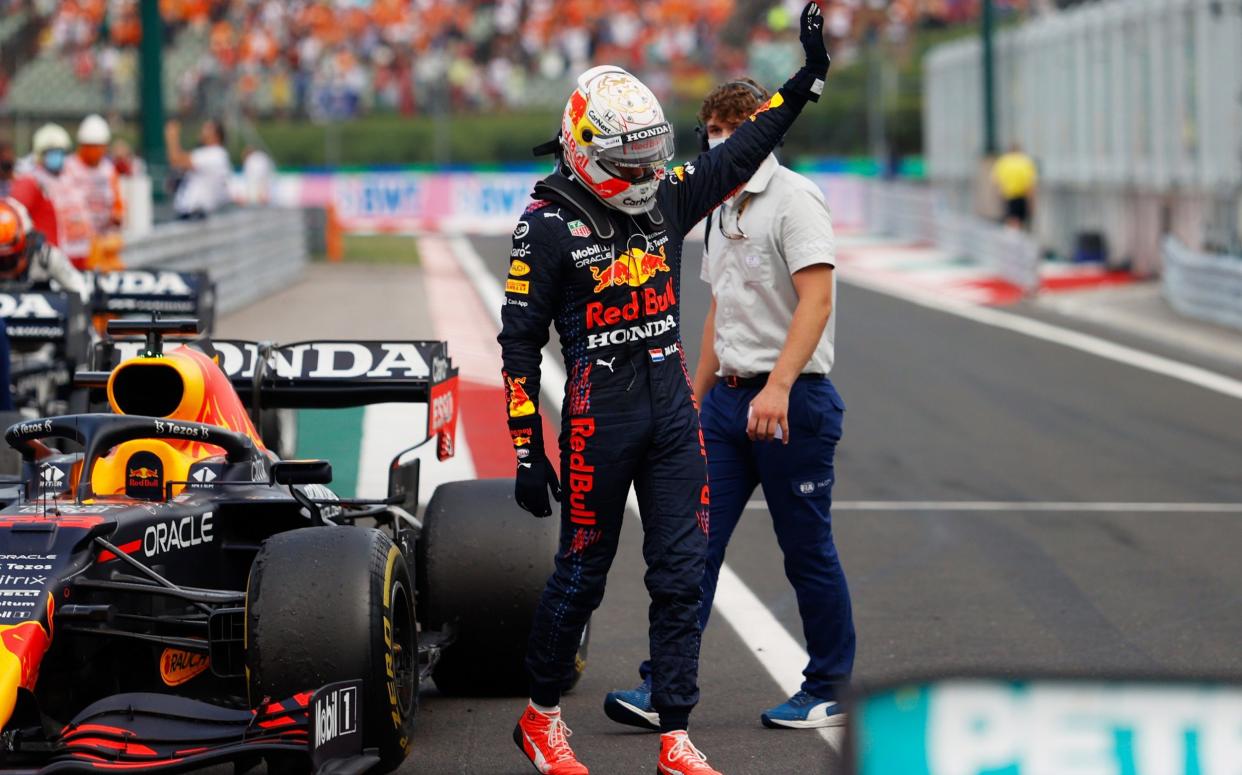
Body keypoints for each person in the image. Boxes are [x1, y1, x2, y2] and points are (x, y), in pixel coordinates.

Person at [499, 5, 830, 774]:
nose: (650, 174)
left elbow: (746, 146)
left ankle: (675, 734)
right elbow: (518, 347)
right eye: (633, 161)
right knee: (582, 570)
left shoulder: (672, 193)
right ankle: (541, 718)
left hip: (674, 412)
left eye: (656, 157)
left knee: (683, 573)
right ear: (584, 150)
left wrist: (806, 75)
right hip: (596, 418)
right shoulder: (543, 224)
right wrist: (525, 446)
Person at [604, 77, 853, 733]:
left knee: (806, 551)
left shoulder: (796, 199)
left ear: (762, 133)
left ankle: (830, 685)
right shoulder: (714, 204)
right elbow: (723, 308)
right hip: (727, 404)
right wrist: (695, 393)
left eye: (738, 128)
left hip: (791, 399)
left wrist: (777, 385)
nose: (724, 140)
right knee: (692, 546)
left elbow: (817, 301)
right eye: (715, 129)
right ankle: (664, 684)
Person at [9, 123, 94, 267]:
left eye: (60, 152)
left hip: (78, 255)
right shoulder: (32, 181)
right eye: (51, 152)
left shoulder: (71, 178)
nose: (57, 157)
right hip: (48, 260)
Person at [65, 114, 125, 270]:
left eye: (99, 147)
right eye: (91, 147)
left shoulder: (108, 170)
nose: (96, 152)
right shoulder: (69, 167)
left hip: (103, 239)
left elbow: (117, 203)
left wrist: (117, 216)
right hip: (75, 242)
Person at [0, 198, 87, 298]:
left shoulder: (46, 258)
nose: (5, 264)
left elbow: (80, 292)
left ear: (27, 244)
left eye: (9, 258)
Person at [165, 119, 232, 219]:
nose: (202, 131)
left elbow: (176, 160)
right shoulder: (210, 153)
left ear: (217, 135)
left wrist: (172, 135)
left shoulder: (216, 154)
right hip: (192, 215)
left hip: (196, 216)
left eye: (207, 128)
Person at [991, 143, 1037, 230]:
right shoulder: (1025, 162)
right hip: (1022, 195)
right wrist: (1031, 201)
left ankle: (1011, 236)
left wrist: (1000, 192)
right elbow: (1030, 183)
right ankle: (1015, 236)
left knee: (1011, 218)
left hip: (1008, 195)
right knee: (1019, 220)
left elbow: (996, 180)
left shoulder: (1003, 162)